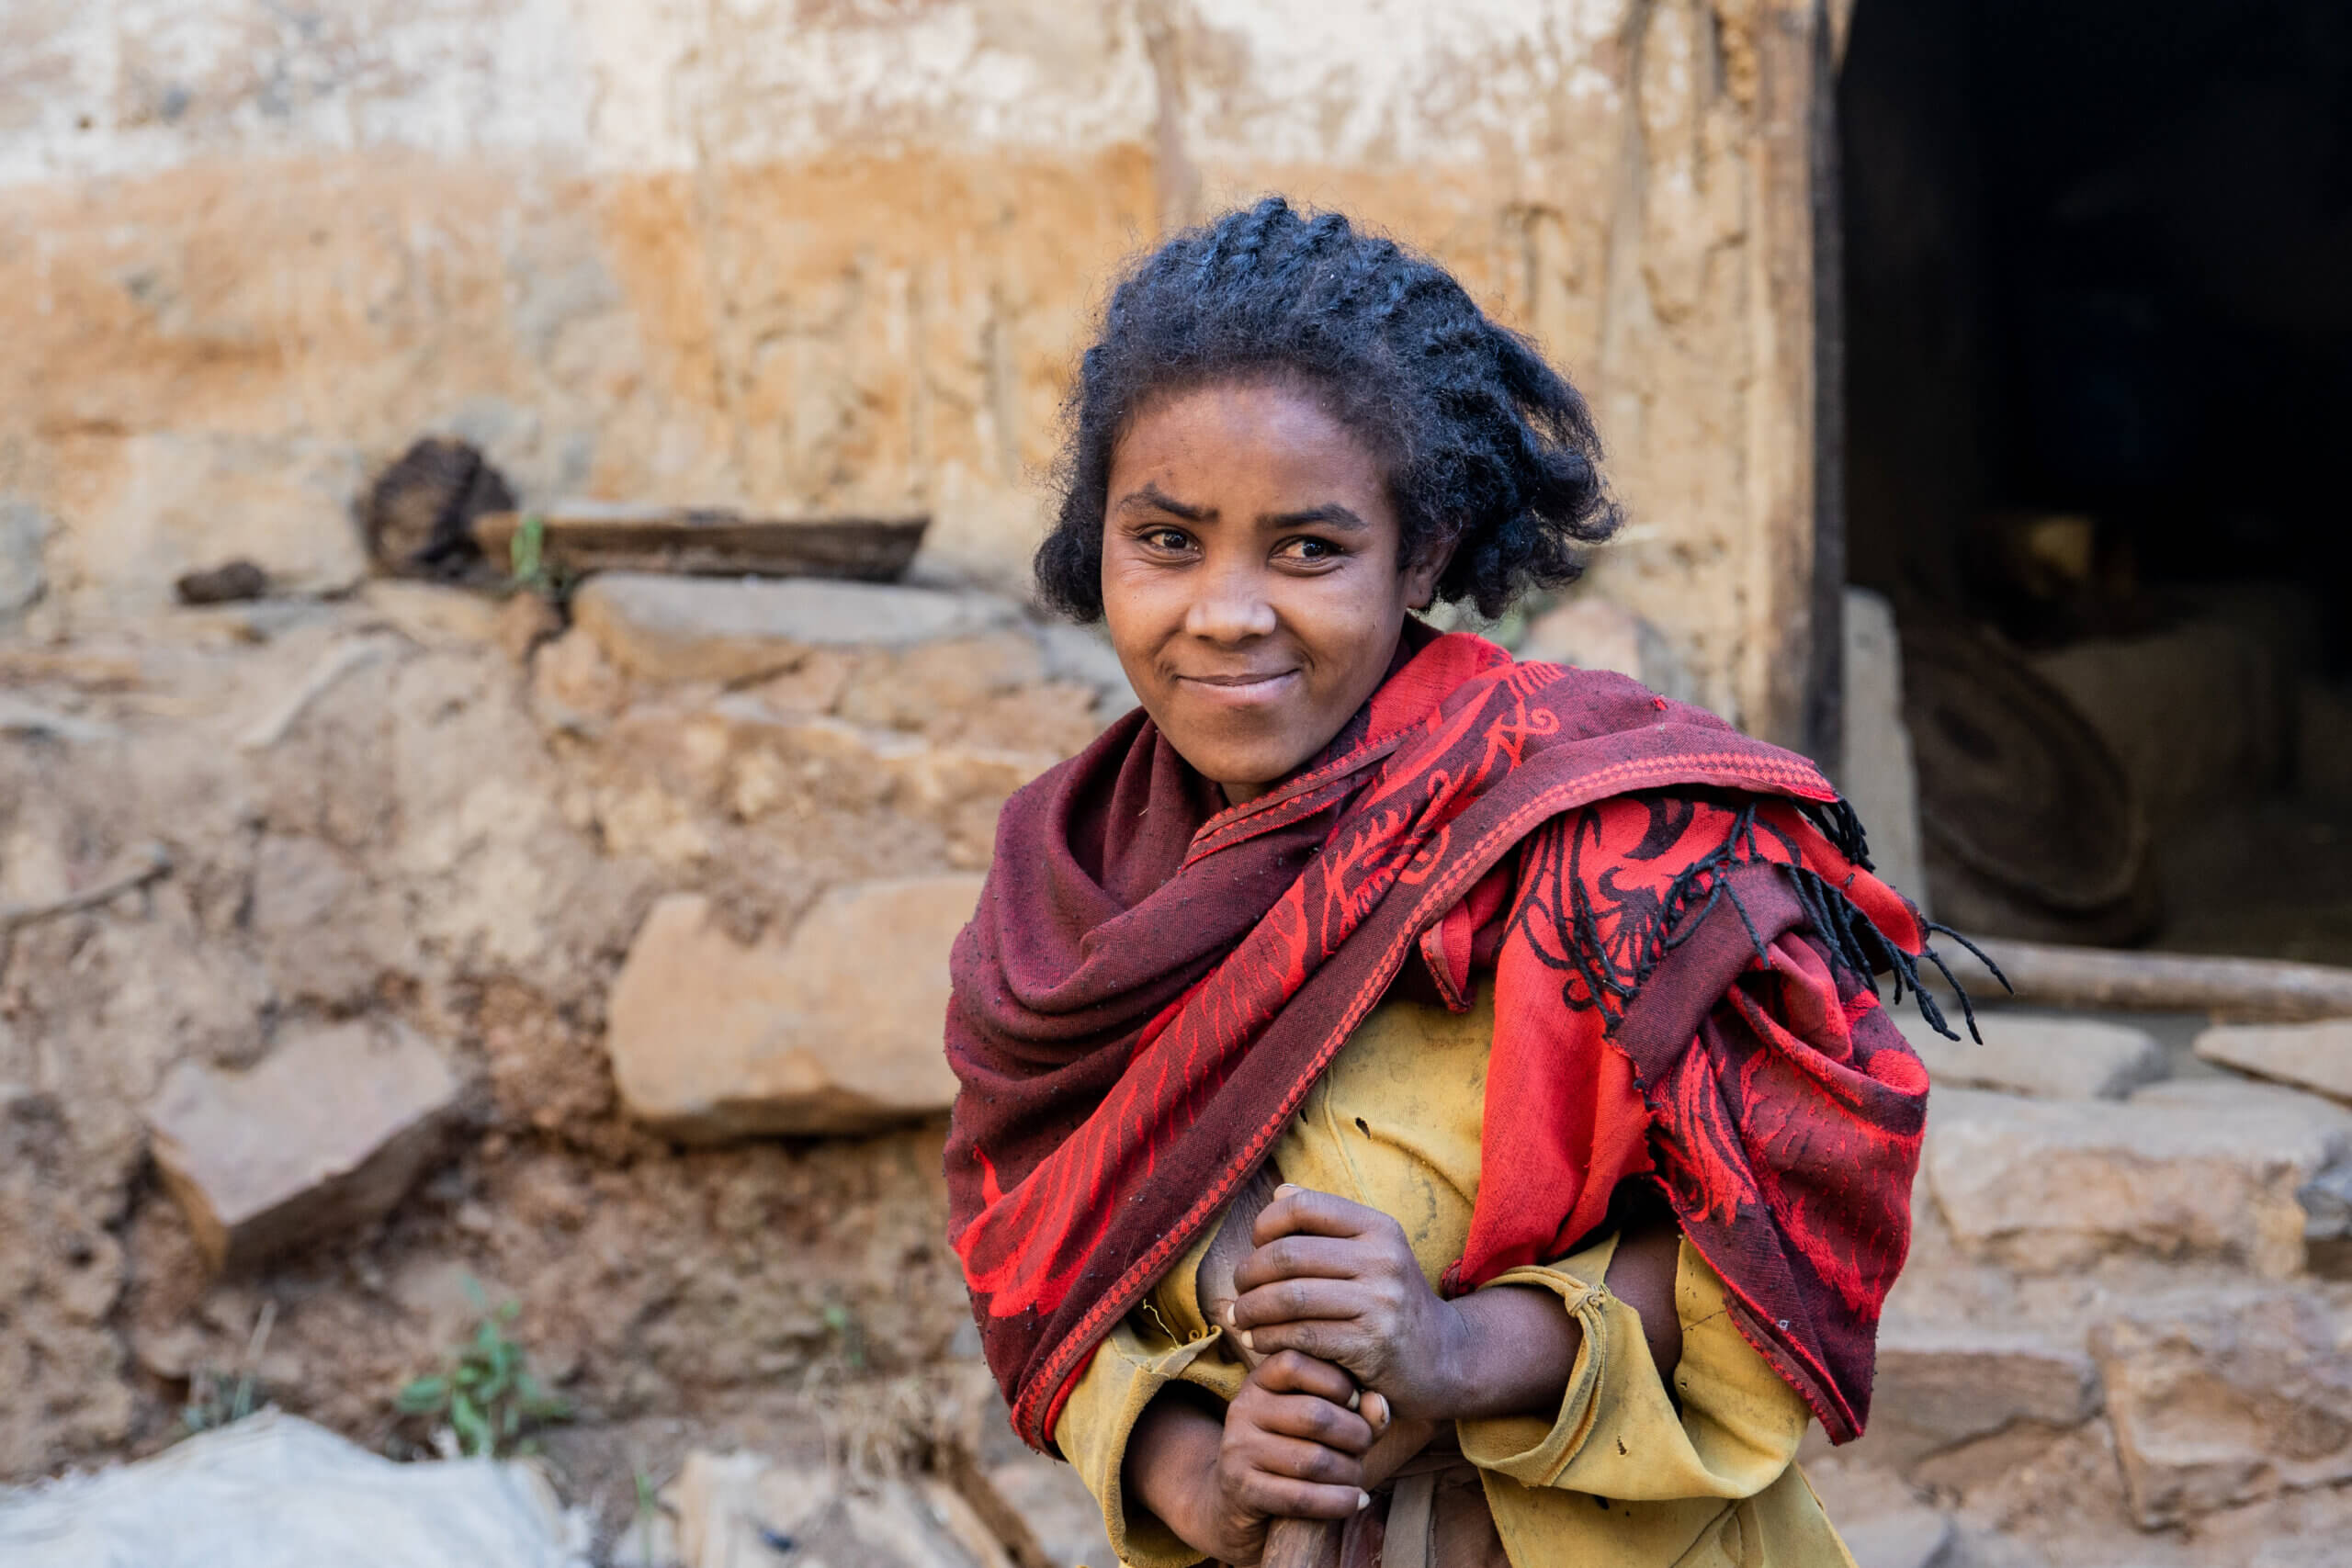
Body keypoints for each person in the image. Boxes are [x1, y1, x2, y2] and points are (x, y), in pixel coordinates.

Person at [944, 197, 1976, 1568]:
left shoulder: (1601, 834)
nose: (1227, 611)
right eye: (1168, 541)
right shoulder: (1065, 894)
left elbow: (1789, 1217)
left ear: (1420, 554)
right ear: (1101, 539)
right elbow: (1040, 1259)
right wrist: (1197, 1477)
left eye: (1310, 550)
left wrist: (1452, 1346)